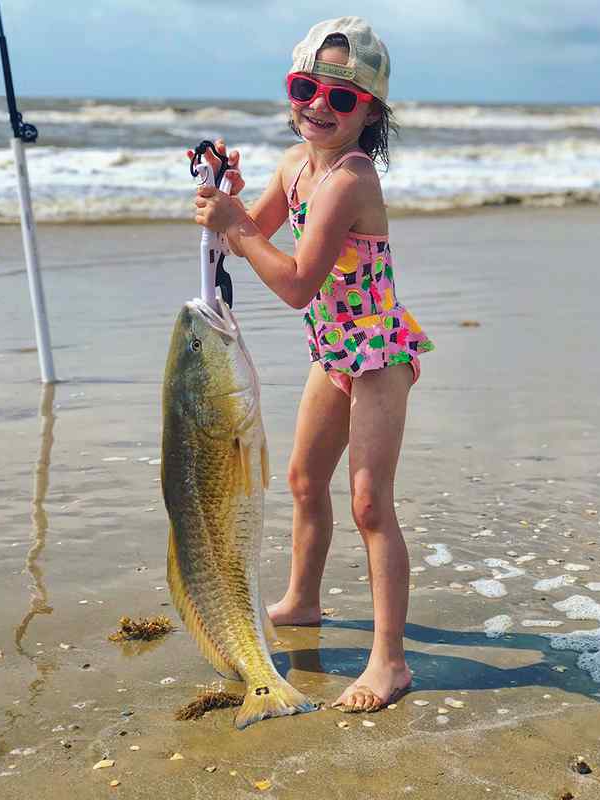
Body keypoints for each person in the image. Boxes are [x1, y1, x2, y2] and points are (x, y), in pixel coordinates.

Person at [193, 16, 434, 713]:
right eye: (306, 88)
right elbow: (254, 231)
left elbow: (296, 280)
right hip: (333, 350)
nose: (319, 107)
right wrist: (226, 201)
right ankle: (302, 599)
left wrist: (234, 225)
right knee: (303, 480)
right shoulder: (296, 167)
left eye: (343, 98)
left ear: (372, 112)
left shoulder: (350, 181)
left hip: (378, 353)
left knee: (368, 503)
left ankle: (389, 662)